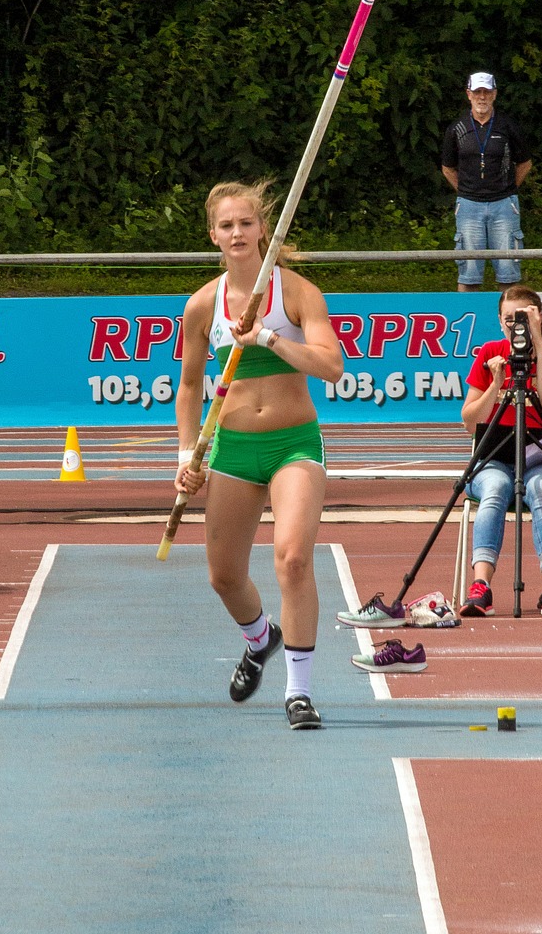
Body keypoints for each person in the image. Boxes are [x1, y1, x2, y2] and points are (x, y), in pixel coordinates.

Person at [174, 181, 344, 730]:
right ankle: (259, 638)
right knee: (224, 576)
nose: (237, 233)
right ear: (213, 236)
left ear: (263, 229)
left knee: (292, 557)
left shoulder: (296, 292)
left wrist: (269, 339)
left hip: (294, 444)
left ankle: (299, 691)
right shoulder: (202, 305)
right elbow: (189, 386)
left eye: (246, 223)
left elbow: (331, 366)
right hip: (231, 449)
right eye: (227, 226)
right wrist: (186, 454)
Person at [459, 284, 542, 618]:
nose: (514, 325)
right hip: (494, 459)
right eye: (508, 318)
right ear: (499, 321)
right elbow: (469, 422)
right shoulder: (489, 353)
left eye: (522, 317)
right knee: (496, 487)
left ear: (537, 317)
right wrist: (496, 384)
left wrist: (537, 341)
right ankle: (481, 586)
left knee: (539, 488)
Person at [441, 71, 532, 292]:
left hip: (504, 205)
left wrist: (508, 189)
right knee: (469, 271)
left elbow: (525, 163)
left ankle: (509, 322)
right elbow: (447, 168)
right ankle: (468, 320)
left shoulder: (508, 126)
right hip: (469, 206)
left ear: (494, 95)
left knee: (508, 269)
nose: (482, 97)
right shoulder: (457, 128)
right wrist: (466, 191)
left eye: (487, 92)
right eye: (477, 92)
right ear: (468, 95)